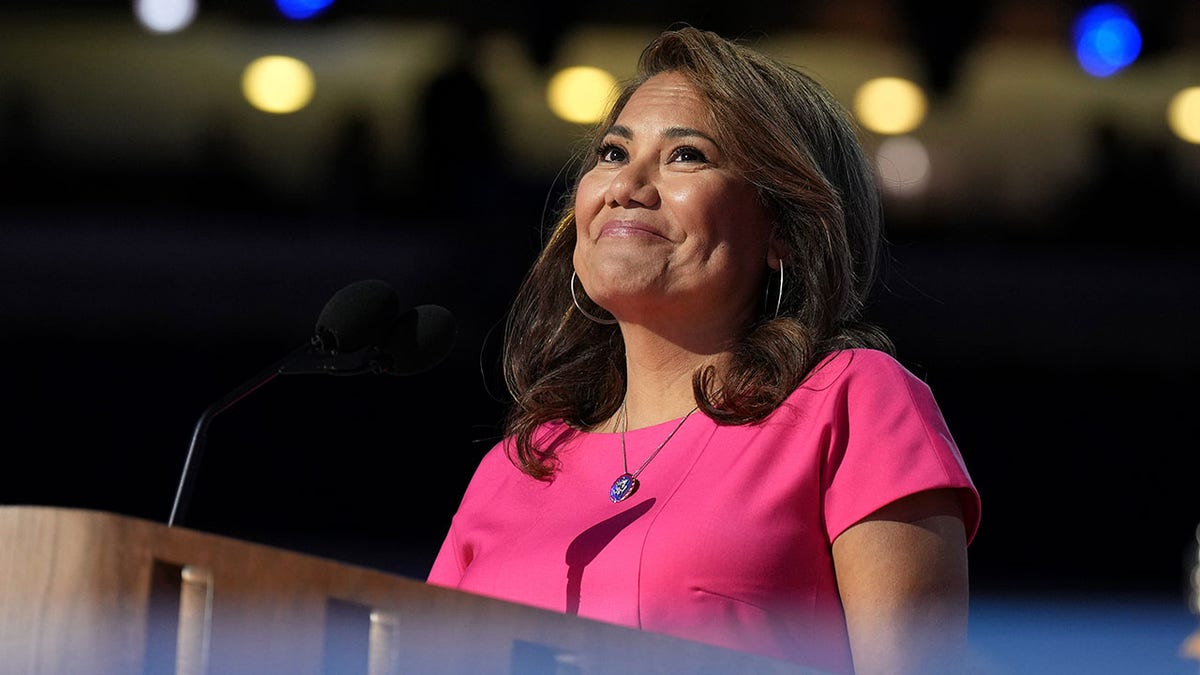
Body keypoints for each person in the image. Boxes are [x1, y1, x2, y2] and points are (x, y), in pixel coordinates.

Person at [426, 25, 981, 675]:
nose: (625, 185)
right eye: (610, 153)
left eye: (686, 155)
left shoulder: (852, 401)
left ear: (784, 230)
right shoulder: (517, 465)